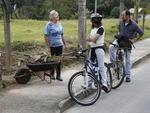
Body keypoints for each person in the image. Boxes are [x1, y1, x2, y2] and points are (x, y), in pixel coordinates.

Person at [109, 10, 144, 82]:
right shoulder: (121, 22)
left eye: (123, 15)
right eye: (122, 15)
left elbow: (141, 33)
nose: (122, 17)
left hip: (127, 43)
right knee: (111, 47)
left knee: (127, 60)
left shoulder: (134, 24)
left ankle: (127, 76)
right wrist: (118, 34)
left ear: (128, 16)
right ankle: (114, 65)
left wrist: (134, 40)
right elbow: (119, 30)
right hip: (119, 40)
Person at [86, 13, 108, 92]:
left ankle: (105, 83)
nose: (92, 22)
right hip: (92, 49)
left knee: (101, 67)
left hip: (99, 49)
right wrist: (90, 39)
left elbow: (94, 39)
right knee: (91, 68)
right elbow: (88, 38)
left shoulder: (101, 28)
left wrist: (90, 38)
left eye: (92, 21)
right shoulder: (93, 29)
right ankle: (88, 84)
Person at [44, 10, 67, 81]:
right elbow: (46, 36)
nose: (58, 17)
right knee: (53, 60)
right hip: (52, 46)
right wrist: (48, 47)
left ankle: (58, 75)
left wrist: (65, 44)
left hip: (60, 45)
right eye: (57, 16)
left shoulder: (59, 24)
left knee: (59, 60)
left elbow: (62, 35)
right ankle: (52, 74)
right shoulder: (48, 25)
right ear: (53, 17)